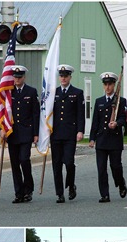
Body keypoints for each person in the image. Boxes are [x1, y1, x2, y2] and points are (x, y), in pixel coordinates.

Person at [0, 65, 40, 203]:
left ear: (24, 77)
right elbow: (4, 112)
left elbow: (36, 113)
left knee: (24, 160)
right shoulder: (8, 93)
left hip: (26, 132)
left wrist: (36, 133)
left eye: (19, 77)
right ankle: (19, 192)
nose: (17, 79)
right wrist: (3, 128)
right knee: (15, 163)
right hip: (12, 133)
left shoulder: (31, 91)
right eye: (15, 77)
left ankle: (29, 189)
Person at [89, 71, 127, 203]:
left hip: (115, 140)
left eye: (110, 84)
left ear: (114, 84)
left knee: (116, 166)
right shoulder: (99, 101)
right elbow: (95, 122)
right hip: (102, 140)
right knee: (101, 169)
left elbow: (124, 118)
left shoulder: (121, 101)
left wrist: (116, 123)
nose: (108, 87)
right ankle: (104, 194)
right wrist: (92, 138)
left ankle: (121, 183)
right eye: (105, 84)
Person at [51, 64, 85, 203]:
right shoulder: (53, 92)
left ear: (70, 77)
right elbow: (47, 113)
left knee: (69, 162)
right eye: (61, 76)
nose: (63, 78)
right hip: (56, 134)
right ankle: (59, 193)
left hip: (70, 133)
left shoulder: (77, 93)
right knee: (56, 164)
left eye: (66, 76)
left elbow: (80, 114)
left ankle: (71, 185)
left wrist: (80, 131)